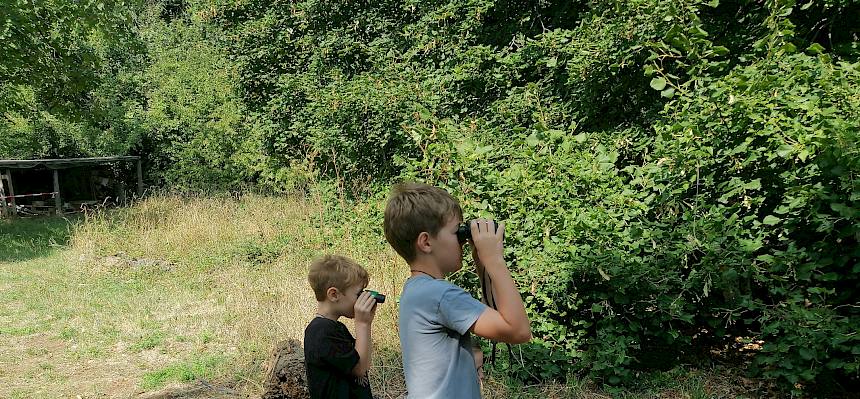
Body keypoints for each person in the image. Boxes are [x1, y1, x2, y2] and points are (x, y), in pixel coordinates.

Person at [383, 182, 531, 398]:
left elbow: (499, 321)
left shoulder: (417, 290)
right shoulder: (440, 295)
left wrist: (482, 264)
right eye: (457, 233)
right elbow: (518, 331)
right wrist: (495, 260)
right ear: (425, 242)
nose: (463, 241)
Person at [304, 254, 377, 399]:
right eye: (358, 294)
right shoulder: (321, 332)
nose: (362, 299)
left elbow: (365, 362)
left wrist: (366, 323)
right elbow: (360, 368)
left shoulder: (334, 328)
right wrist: (362, 323)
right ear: (334, 294)